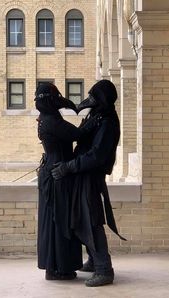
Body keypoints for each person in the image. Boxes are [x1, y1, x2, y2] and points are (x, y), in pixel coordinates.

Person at [52, 80, 126, 287]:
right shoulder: (97, 116)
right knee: (81, 219)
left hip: (90, 176)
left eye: (94, 96)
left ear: (102, 98)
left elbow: (97, 156)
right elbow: (80, 136)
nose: (90, 99)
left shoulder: (108, 121)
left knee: (91, 222)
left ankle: (104, 269)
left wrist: (69, 167)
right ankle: (94, 261)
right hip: (81, 175)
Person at [34, 82, 101, 281]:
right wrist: (95, 117)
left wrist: (79, 108)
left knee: (58, 220)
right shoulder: (51, 121)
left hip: (55, 173)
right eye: (54, 96)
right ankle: (57, 268)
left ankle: (57, 267)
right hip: (57, 175)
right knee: (60, 220)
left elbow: (69, 122)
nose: (58, 98)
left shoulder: (49, 117)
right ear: (49, 100)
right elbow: (77, 134)